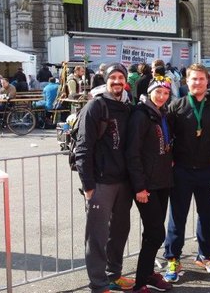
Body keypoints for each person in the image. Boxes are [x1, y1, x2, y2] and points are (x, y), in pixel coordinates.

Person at [163, 63, 210, 282]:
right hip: (181, 171)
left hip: (209, 172)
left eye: (201, 79)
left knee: (208, 217)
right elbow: (167, 138)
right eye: (193, 79)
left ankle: (207, 255)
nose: (197, 82)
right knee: (177, 217)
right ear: (187, 80)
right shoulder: (177, 106)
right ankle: (173, 257)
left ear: (207, 82)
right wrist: (171, 163)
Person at [75, 63, 135, 293]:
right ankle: (98, 285)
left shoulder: (127, 107)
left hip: (123, 183)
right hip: (100, 183)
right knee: (97, 238)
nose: (117, 81)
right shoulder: (95, 107)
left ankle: (114, 275)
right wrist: (88, 186)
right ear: (105, 80)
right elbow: (83, 148)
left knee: (119, 233)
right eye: (113, 78)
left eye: (121, 77)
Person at [126, 76, 174, 293]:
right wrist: (139, 187)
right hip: (147, 185)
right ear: (150, 91)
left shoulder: (161, 113)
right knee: (156, 233)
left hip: (162, 181)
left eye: (166, 93)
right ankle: (139, 283)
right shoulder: (141, 114)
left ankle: (148, 274)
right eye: (158, 92)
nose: (162, 96)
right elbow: (132, 153)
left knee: (152, 232)